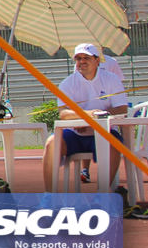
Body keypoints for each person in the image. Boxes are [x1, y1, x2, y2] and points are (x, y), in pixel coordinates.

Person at [42, 43, 128, 191]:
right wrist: (90, 115)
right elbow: (64, 113)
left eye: (86, 58)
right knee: (51, 143)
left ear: (97, 61)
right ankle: (49, 195)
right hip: (75, 133)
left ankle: (102, 194)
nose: (82, 62)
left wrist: (94, 121)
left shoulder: (112, 79)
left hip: (103, 132)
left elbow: (122, 108)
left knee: (114, 144)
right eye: (78, 58)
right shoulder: (67, 83)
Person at [82, 47, 127, 183]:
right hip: (89, 110)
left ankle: (107, 182)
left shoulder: (111, 62)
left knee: (111, 138)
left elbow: (119, 84)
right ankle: (85, 169)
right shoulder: (80, 67)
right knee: (84, 130)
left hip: (106, 106)